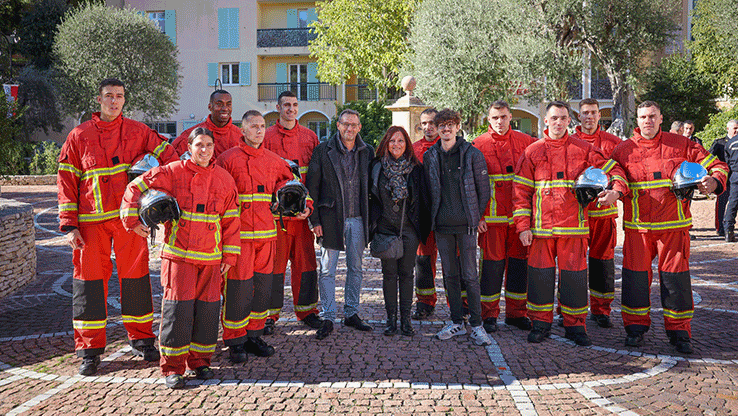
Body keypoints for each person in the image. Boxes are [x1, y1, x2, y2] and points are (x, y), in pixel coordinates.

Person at [57, 77, 179, 376]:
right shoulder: (78, 136)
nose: (114, 101)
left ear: (125, 100)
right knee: (88, 284)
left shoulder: (139, 131)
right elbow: (66, 182)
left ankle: (141, 338)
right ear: (99, 100)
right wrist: (69, 226)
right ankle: (89, 349)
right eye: (109, 96)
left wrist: (155, 202)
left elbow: (170, 159)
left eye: (119, 96)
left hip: (130, 223)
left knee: (135, 279)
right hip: (90, 225)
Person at [120, 128, 240, 389]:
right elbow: (134, 186)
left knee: (207, 312)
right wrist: (131, 220)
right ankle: (172, 368)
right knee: (178, 313)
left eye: (209, 145)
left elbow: (231, 221)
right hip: (179, 257)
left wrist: (230, 254)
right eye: (199, 145)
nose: (205, 150)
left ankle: (201, 362)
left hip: (211, 259)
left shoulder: (224, 179)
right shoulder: (171, 171)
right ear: (189, 146)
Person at [611, 100, 728, 353]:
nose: (648, 121)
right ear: (637, 120)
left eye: (652, 116)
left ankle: (679, 332)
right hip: (638, 227)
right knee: (635, 280)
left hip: (673, 227)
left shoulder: (681, 144)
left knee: (676, 281)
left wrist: (714, 182)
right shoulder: (623, 150)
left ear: (661, 118)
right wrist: (614, 192)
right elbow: (615, 177)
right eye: (643, 117)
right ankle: (635, 329)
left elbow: (718, 165)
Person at [513, 101, 625, 347]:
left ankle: (576, 326)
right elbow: (520, 192)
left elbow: (614, 171)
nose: (558, 123)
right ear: (546, 120)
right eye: (554, 118)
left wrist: (616, 191)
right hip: (541, 230)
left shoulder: (584, 149)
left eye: (563, 118)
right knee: (540, 279)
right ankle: (540, 324)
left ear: (568, 121)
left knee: (574, 280)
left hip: (573, 228)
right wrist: (523, 227)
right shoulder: (532, 151)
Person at [217, 110, 297, 361]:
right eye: (253, 126)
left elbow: (293, 186)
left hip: (266, 236)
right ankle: (234, 340)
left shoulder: (274, 160)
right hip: (238, 238)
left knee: (262, 288)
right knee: (238, 289)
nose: (259, 130)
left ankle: (254, 335)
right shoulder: (227, 159)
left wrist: (304, 205)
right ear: (242, 130)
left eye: (262, 126)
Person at [423, 108, 493, 347]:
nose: (446, 129)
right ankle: (455, 322)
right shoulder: (430, 156)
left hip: (466, 226)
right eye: (442, 125)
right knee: (450, 275)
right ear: (437, 128)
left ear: (457, 127)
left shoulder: (472, 154)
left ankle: (477, 325)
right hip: (442, 225)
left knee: (470, 276)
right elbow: (428, 191)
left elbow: (484, 190)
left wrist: (477, 215)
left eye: (450, 124)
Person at [306, 109, 375, 339]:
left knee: (356, 268)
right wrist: (314, 220)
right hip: (330, 219)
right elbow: (312, 188)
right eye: (345, 124)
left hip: (358, 219)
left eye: (353, 125)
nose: (349, 129)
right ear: (338, 125)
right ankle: (327, 316)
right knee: (327, 271)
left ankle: (352, 313)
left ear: (359, 128)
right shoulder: (323, 151)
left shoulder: (367, 152)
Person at [472, 101, 535, 333]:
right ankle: (488, 315)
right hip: (491, 221)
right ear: (489, 120)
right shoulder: (477, 145)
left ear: (511, 117)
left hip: (519, 219)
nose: (500, 121)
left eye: (504, 117)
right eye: (495, 117)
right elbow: (471, 186)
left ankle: (517, 314)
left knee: (519, 266)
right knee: (491, 269)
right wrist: (477, 216)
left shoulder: (527, 143)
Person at [263, 90, 322, 333]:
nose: (291, 109)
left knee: (306, 264)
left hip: (303, 216)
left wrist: (310, 209)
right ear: (278, 107)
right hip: (276, 217)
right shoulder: (266, 137)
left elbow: (317, 177)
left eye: (295, 105)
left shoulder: (310, 137)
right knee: (274, 267)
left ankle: (307, 311)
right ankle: (268, 316)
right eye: (286, 105)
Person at [369, 126, 430, 336]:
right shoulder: (376, 167)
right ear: (386, 143)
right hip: (385, 228)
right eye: (392, 141)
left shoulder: (415, 169)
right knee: (389, 275)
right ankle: (391, 320)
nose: (396, 145)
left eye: (401, 141)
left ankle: (406, 320)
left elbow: (423, 200)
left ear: (407, 145)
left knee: (406, 274)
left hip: (409, 229)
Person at [571, 98, 623, 329]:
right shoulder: (569, 142)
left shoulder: (614, 143)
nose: (589, 117)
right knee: (572, 264)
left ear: (599, 115)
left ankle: (601, 310)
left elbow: (624, 174)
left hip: (604, 213)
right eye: (585, 113)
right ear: (578, 116)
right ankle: (569, 308)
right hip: (575, 215)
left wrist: (616, 192)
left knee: (603, 263)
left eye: (593, 112)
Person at [412, 108, 441, 320]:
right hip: (423, 215)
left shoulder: (450, 146)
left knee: (454, 262)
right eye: (424, 123)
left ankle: (461, 305)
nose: (428, 127)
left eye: (431, 123)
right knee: (423, 261)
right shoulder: (413, 149)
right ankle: (424, 303)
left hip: (448, 215)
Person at [170, 90, 243, 161]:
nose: (225, 108)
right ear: (210, 107)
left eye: (228, 104)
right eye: (219, 104)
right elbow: (170, 161)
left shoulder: (241, 137)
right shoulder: (190, 135)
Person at [710, 119, 737, 237]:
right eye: (734, 128)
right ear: (728, 129)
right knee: (722, 203)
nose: (737, 131)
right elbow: (710, 158)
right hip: (724, 177)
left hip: (735, 176)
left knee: (733, 202)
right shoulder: (720, 143)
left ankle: (727, 228)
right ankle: (720, 228)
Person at [723, 123, 738, 242]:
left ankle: (728, 231)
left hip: (734, 174)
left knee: (732, 202)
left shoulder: (730, 143)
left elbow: (726, 160)